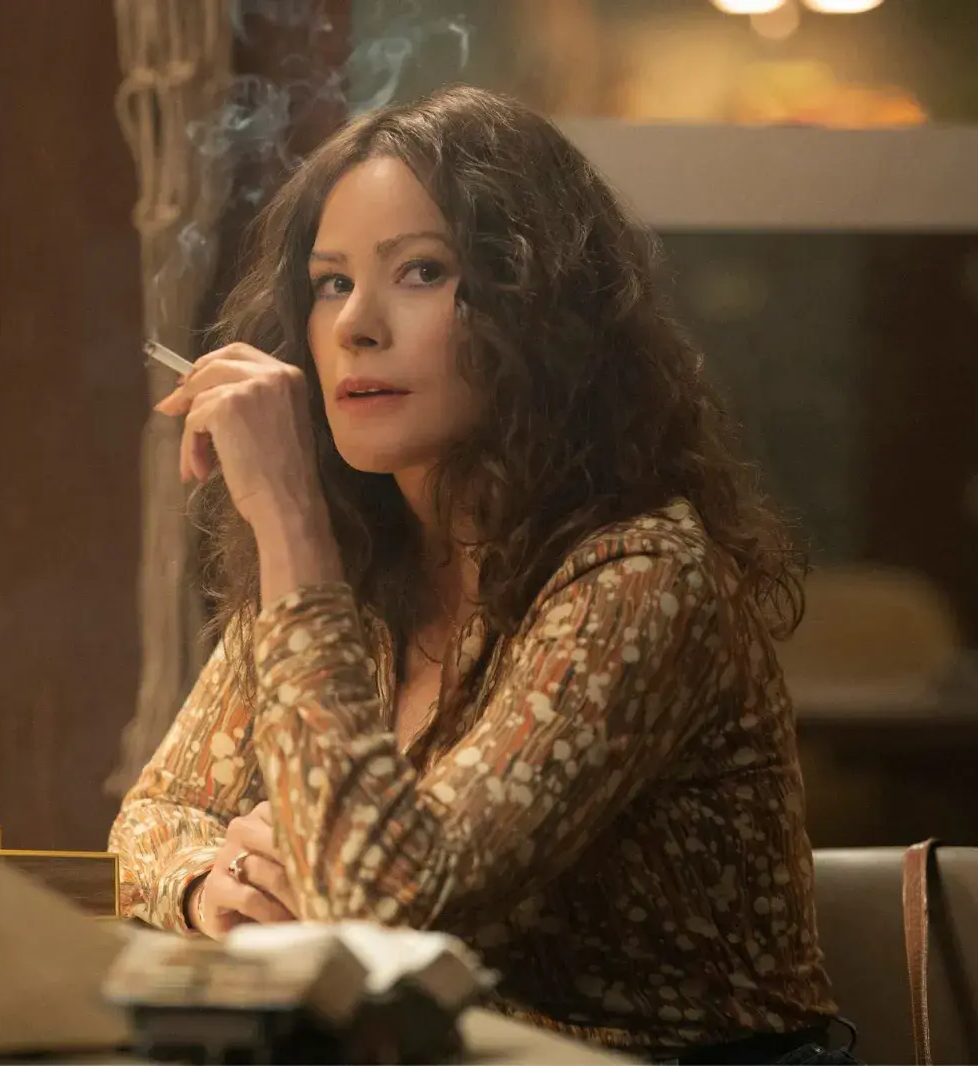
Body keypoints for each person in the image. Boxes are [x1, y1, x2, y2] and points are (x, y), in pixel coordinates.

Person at [109, 85, 841, 1061]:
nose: (356, 326)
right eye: (330, 283)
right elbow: (154, 818)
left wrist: (285, 513)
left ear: (536, 310)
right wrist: (218, 886)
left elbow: (386, 897)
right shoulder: (357, 561)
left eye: (421, 272)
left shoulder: (644, 575)